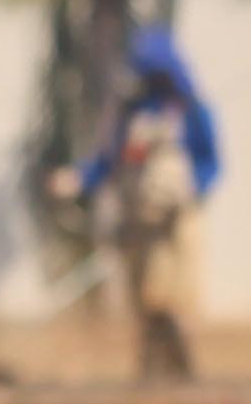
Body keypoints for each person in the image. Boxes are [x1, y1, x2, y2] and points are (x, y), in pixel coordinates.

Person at [56, 26, 221, 381]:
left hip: (180, 218)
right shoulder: (129, 112)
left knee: (174, 297)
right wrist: (78, 179)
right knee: (147, 299)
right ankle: (153, 367)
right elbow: (107, 161)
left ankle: (180, 368)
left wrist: (193, 190)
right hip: (140, 218)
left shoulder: (191, 109)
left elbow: (212, 163)